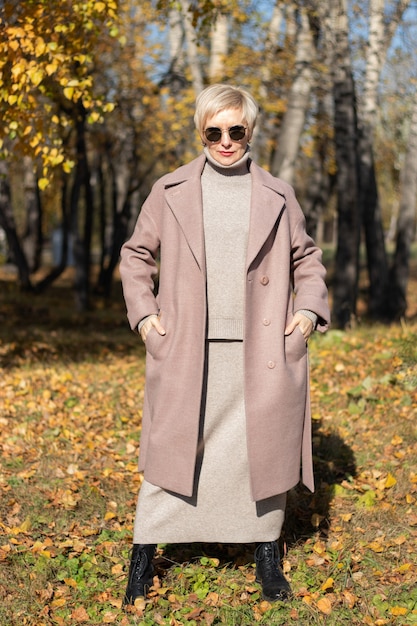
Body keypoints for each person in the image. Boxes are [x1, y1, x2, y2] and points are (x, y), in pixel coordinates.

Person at [119, 83, 330, 606]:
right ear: (201, 132)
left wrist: (306, 313)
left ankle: (265, 554)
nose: (226, 140)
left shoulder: (278, 194)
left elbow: (307, 260)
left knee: (257, 453)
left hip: (261, 351)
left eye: (236, 129)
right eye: (214, 131)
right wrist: (146, 318)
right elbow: (135, 256)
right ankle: (144, 556)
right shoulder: (169, 191)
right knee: (174, 450)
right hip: (187, 345)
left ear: (251, 130)